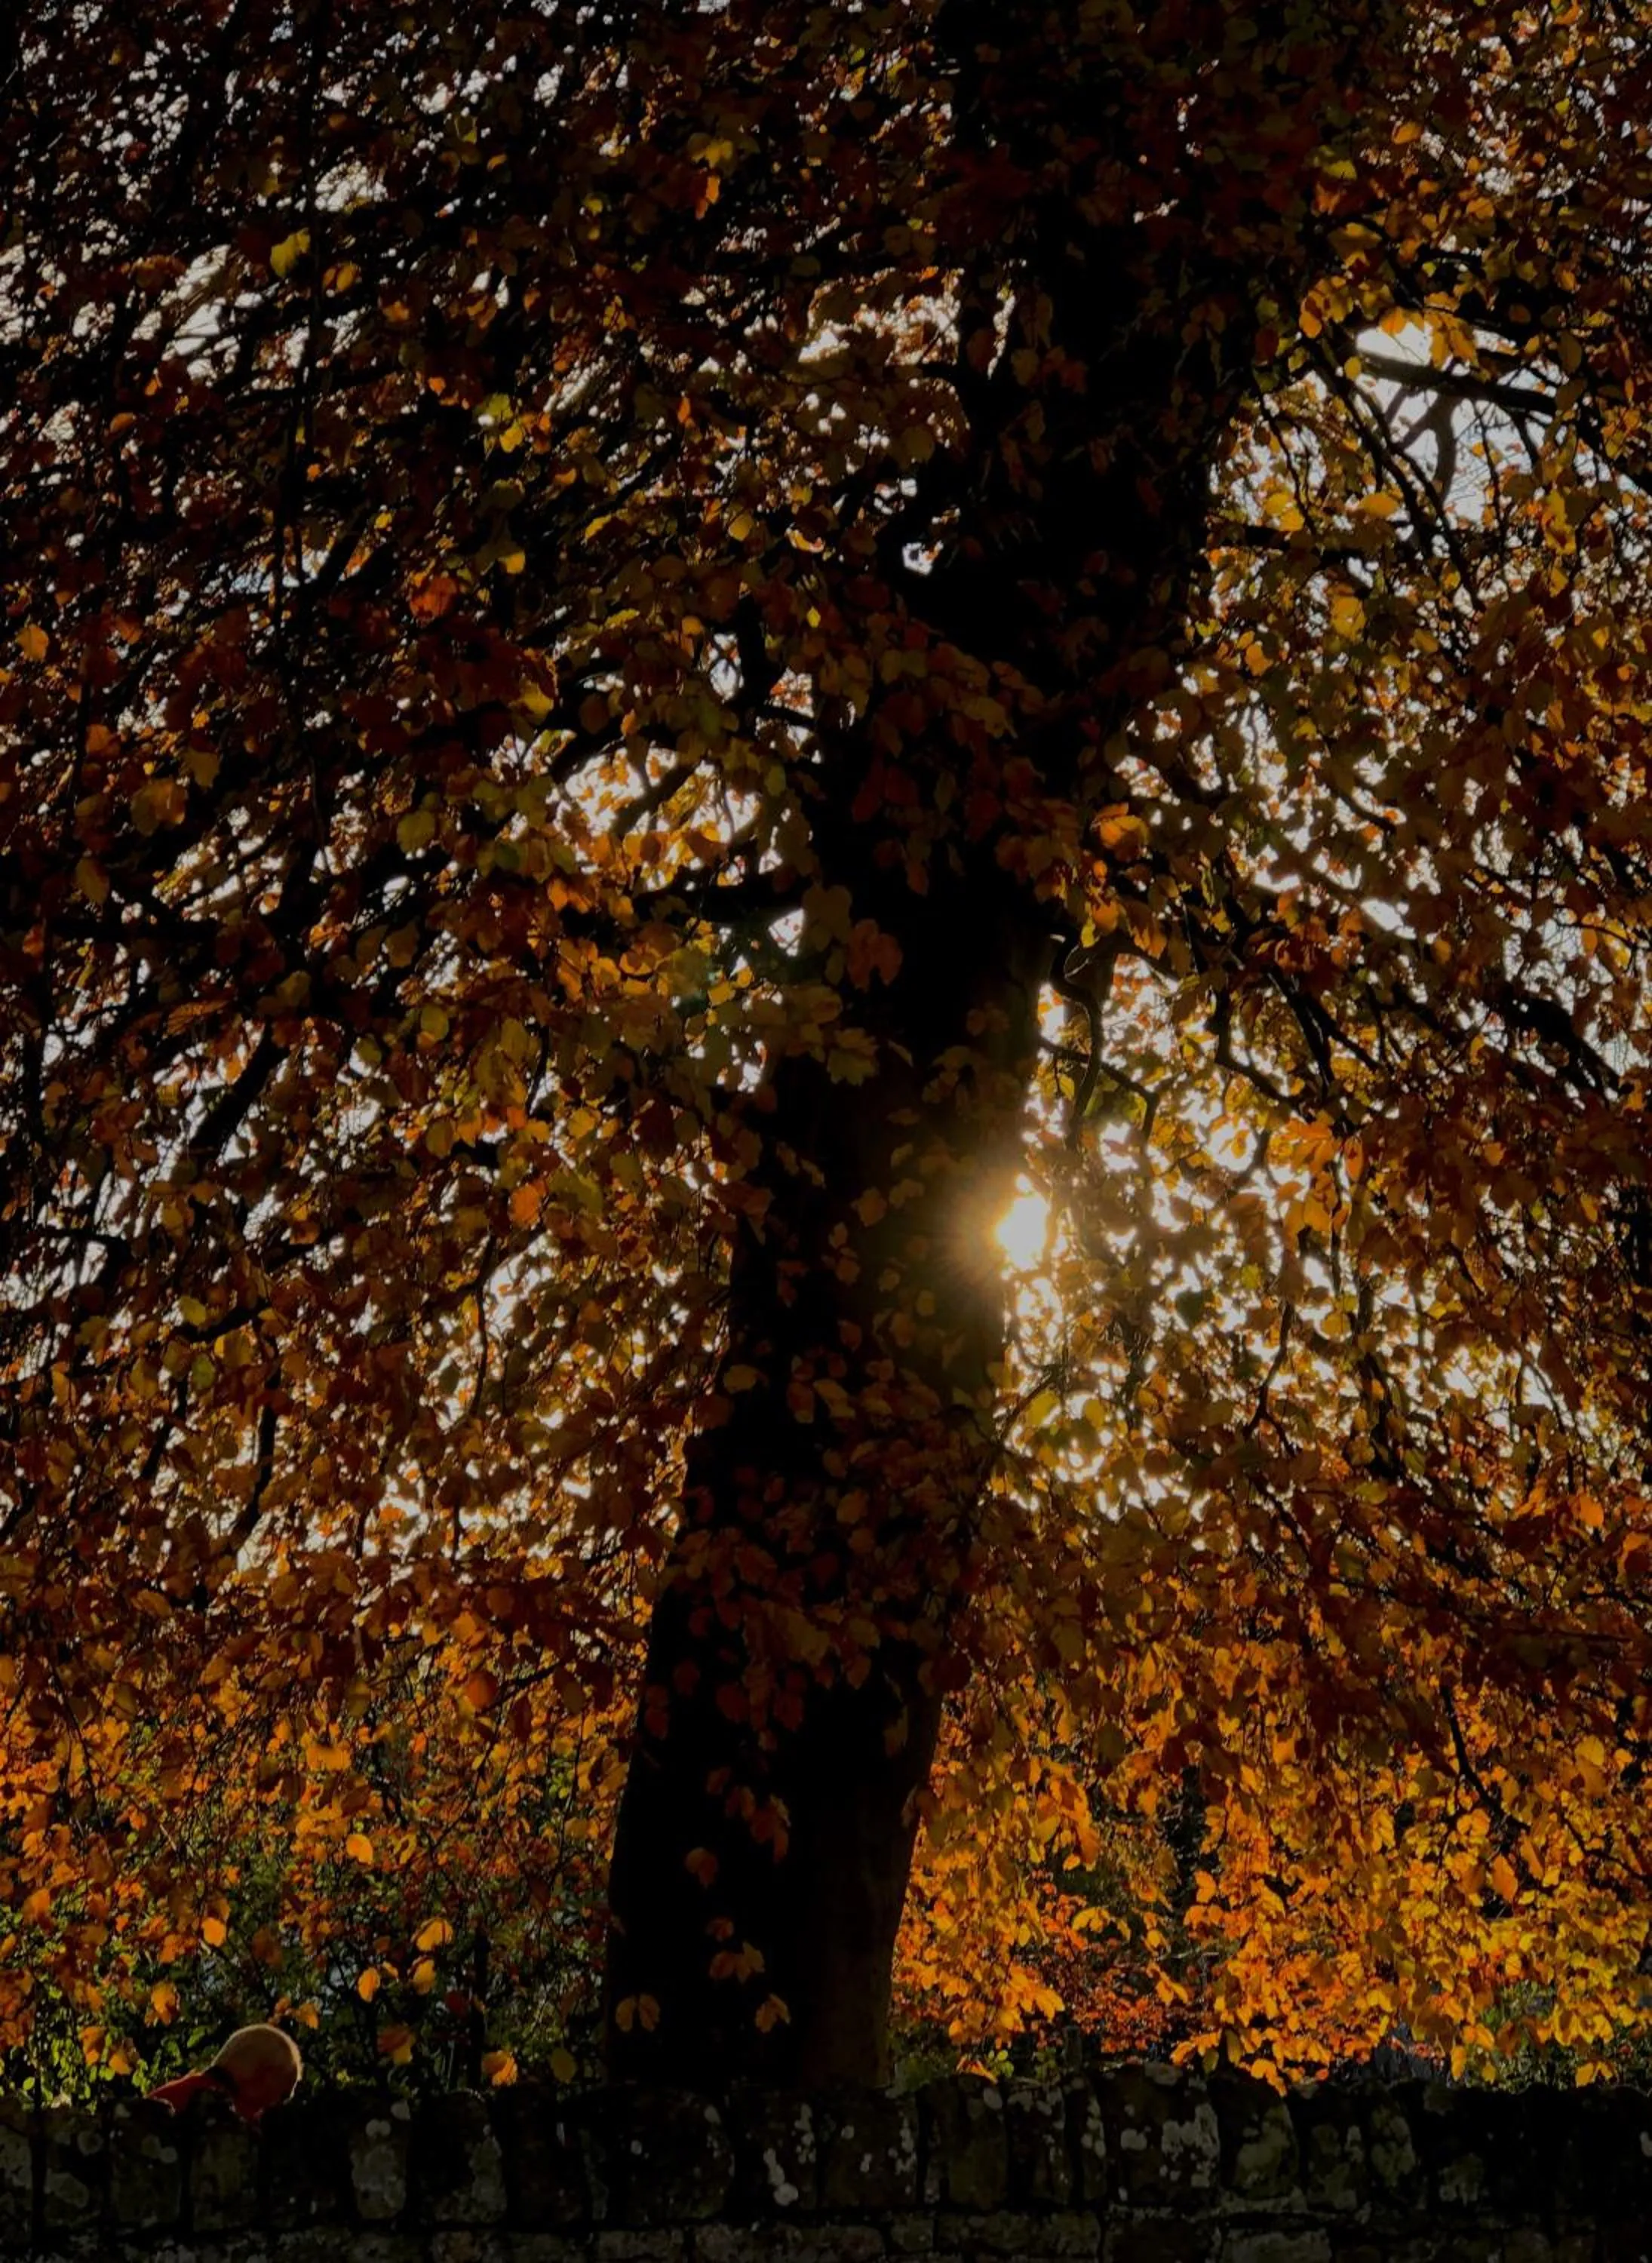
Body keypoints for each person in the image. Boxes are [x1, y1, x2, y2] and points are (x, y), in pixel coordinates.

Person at [149, 2022, 303, 2123]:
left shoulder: (171, 2095)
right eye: (283, 2096)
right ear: (264, 2074)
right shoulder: (235, 2119)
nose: (278, 2105)